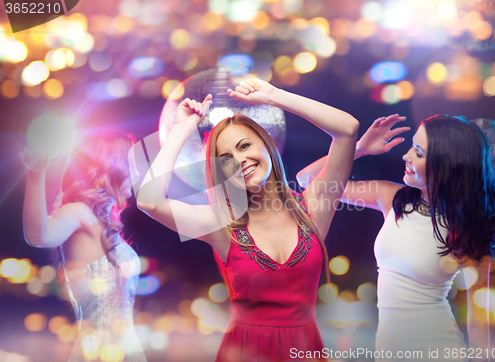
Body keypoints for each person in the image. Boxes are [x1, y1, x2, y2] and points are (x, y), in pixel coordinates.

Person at [136, 78, 359, 362]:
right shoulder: (220, 224)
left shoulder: (313, 207)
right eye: (225, 158)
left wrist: (275, 96)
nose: (239, 160)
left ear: (267, 145)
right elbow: (148, 201)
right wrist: (182, 130)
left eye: (244, 146)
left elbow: (348, 129)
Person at [297, 115, 495, 361]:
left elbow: (480, 322)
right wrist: (358, 149)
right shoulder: (393, 198)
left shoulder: (468, 226)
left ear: (447, 164)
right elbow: (308, 181)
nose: (406, 156)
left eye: (419, 153)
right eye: (412, 147)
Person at [21, 129, 147, 362]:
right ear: (112, 165)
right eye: (130, 163)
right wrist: (36, 173)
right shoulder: (80, 212)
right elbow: (38, 235)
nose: (137, 172)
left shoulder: (105, 222)